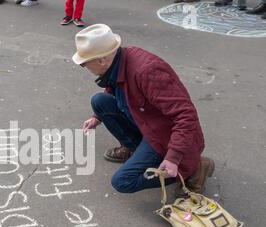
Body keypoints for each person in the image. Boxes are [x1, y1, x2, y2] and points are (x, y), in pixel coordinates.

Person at [74, 24, 214, 195]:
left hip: (163, 135)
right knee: (100, 101)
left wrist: (174, 157)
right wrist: (97, 117)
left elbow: (185, 114)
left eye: (84, 64)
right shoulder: (118, 60)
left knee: (122, 181)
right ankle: (133, 147)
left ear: (101, 60)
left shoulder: (147, 71)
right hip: (145, 122)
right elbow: (115, 86)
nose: (84, 68)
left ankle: (194, 168)